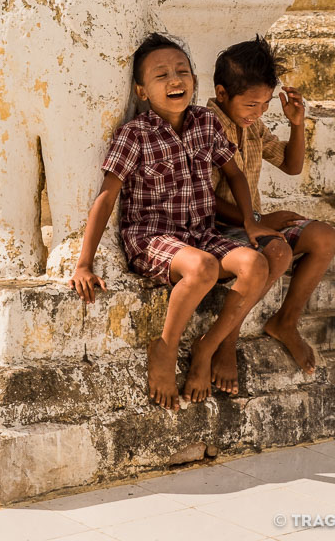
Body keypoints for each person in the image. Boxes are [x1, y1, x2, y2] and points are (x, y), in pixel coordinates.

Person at [68, 32, 288, 410]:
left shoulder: (205, 123)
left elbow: (234, 174)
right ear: (141, 90)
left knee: (256, 263)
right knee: (202, 267)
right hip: (153, 238)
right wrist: (84, 262)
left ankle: (208, 348)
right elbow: (106, 198)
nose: (175, 80)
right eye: (161, 75)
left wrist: (251, 223)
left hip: (200, 232)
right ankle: (165, 350)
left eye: (182, 71)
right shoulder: (134, 134)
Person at [208, 36, 335, 375]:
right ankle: (228, 340)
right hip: (216, 228)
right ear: (222, 94)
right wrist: (258, 218)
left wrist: (297, 124)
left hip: (250, 223)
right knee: (277, 252)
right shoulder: (205, 126)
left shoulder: (252, 126)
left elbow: (291, 165)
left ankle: (285, 321)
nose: (259, 112)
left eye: (265, 105)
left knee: (323, 237)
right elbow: (204, 200)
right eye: (252, 105)